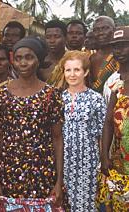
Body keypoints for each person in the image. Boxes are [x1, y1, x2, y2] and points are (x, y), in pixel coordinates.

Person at [0, 37, 69, 211]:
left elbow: (57, 138)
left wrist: (59, 181)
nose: (23, 63)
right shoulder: (0, 95)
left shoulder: (52, 94)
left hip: (43, 172)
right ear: (13, 61)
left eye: (29, 57)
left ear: (38, 60)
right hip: (9, 172)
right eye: (18, 58)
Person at [59, 51, 106, 211]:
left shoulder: (96, 99)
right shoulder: (58, 99)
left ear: (85, 72)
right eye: (68, 70)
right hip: (63, 162)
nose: (72, 74)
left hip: (88, 162)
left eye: (77, 70)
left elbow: (102, 134)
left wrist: (102, 161)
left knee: (86, 204)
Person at [97, 26, 129, 211]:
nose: (119, 51)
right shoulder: (115, 84)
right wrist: (104, 156)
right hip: (119, 161)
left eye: (124, 46)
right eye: (115, 47)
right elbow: (108, 122)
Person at [90, 16, 119, 93]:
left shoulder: (122, 56)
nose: (100, 33)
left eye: (105, 28)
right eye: (96, 30)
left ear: (114, 29)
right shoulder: (89, 58)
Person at [38, 20, 67, 88]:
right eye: (48, 37)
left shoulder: (73, 60)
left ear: (65, 38)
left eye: (57, 36)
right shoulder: (40, 62)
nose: (52, 41)